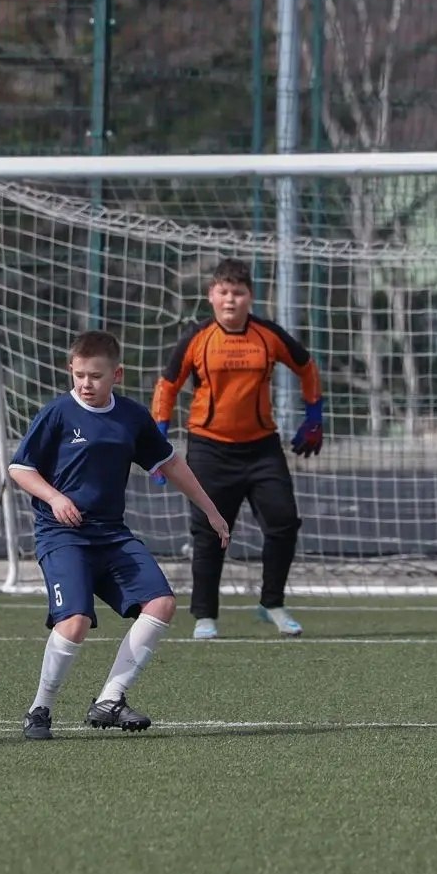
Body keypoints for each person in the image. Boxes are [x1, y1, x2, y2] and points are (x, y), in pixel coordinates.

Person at [9, 330, 230, 741]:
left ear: (117, 374)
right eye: (78, 375)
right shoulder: (57, 414)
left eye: (95, 376)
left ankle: (110, 699)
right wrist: (55, 497)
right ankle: (40, 709)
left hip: (111, 536)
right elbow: (20, 468)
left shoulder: (131, 417)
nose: (85, 384)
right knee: (74, 622)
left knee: (161, 603)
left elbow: (171, 463)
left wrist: (211, 510)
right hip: (63, 536)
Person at [151, 258, 323, 640]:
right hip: (209, 450)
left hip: (262, 449)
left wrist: (314, 416)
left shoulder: (268, 335)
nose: (231, 299)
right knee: (209, 533)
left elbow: (306, 366)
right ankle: (205, 617)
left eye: (239, 292)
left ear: (251, 297)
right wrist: (157, 438)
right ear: (211, 296)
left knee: (283, 523)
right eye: (224, 292)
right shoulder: (197, 338)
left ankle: (272, 603)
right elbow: (167, 385)